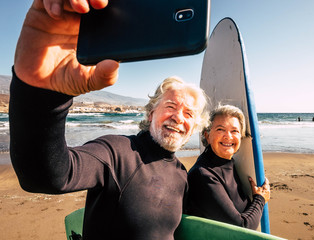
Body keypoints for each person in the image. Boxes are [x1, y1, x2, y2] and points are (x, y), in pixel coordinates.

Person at [9, 1, 208, 239]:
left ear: (195, 126)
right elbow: (49, 176)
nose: (178, 117)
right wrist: (42, 95)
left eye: (189, 114)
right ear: (150, 113)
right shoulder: (117, 152)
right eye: (171, 106)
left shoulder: (181, 175)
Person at [186, 105, 270, 230]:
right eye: (220, 129)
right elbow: (240, 228)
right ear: (207, 136)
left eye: (234, 131)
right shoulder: (203, 175)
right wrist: (260, 199)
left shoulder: (228, 164)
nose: (228, 136)